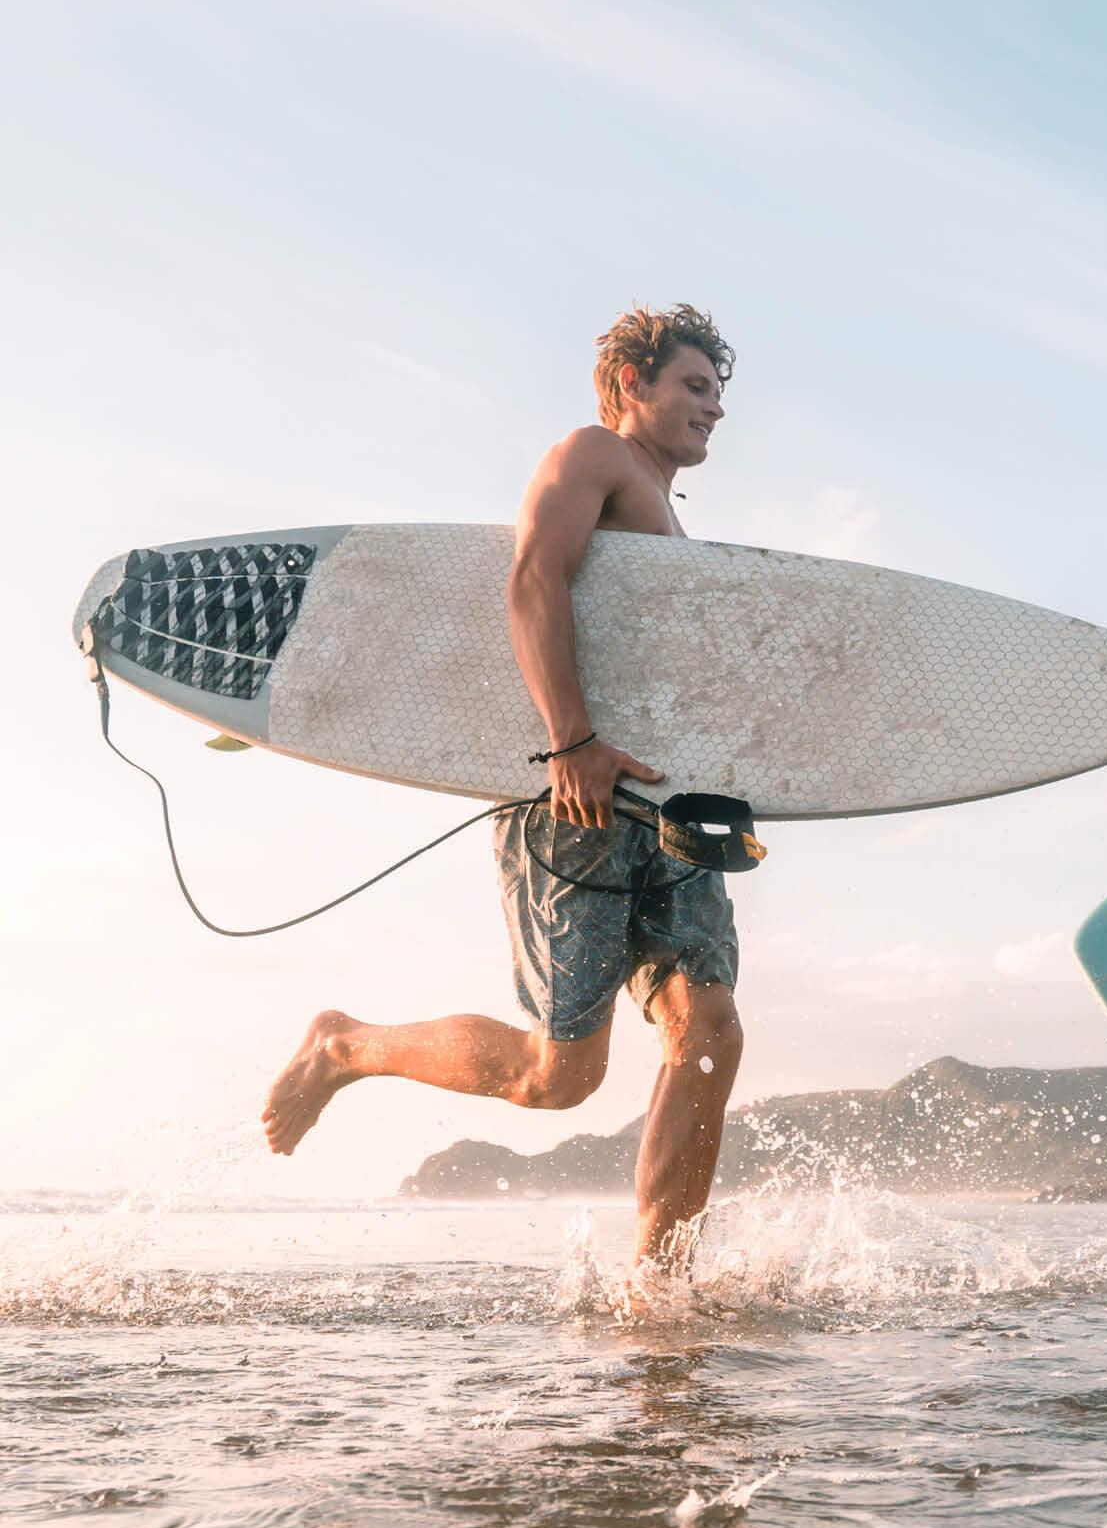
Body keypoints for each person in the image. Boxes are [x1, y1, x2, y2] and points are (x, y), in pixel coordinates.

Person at [260, 304, 746, 1271]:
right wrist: (570, 740)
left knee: (711, 1032)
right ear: (629, 386)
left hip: (663, 809)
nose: (715, 408)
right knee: (558, 1076)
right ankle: (343, 1046)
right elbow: (531, 575)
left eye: (719, 391)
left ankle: (660, 1285)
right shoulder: (591, 456)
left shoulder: (658, 500)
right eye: (694, 385)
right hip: (573, 798)